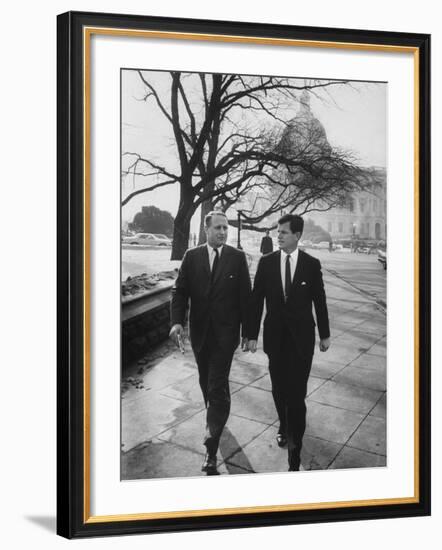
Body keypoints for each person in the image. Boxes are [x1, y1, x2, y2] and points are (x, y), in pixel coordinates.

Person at [170, 211, 251, 475]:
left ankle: (211, 447)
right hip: (200, 335)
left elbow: (245, 298)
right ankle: (215, 417)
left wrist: (249, 333)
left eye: (226, 228)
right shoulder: (192, 257)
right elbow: (179, 290)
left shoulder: (237, 258)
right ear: (206, 229)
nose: (223, 232)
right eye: (218, 228)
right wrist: (177, 321)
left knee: (217, 385)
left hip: (225, 336)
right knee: (206, 382)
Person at [247, 214, 330, 471]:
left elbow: (320, 300)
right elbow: (256, 299)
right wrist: (250, 334)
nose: (278, 235)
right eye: (278, 231)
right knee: (278, 390)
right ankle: (283, 424)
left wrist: (325, 334)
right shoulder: (267, 263)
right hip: (275, 340)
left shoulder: (311, 264)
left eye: (283, 232)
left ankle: (295, 449)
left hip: (302, 341)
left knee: (296, 395)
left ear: (297, 235)